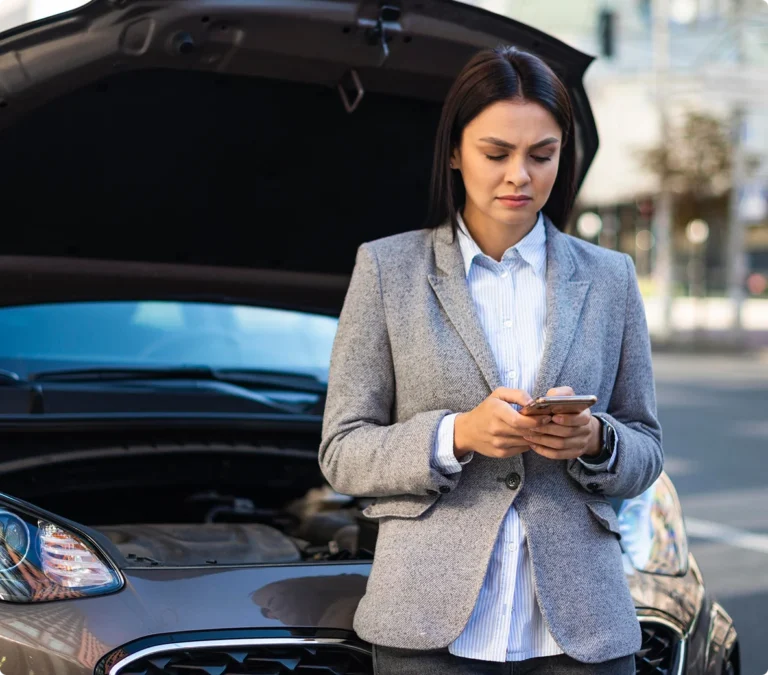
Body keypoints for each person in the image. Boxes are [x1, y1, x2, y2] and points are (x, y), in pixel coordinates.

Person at [319, 45, 662, 675]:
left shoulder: (611, 279)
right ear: (454, 151)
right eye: (496, 153)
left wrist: (596, 440)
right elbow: (341, 451)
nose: (520, 177)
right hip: (428, 627)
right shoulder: (387, 269)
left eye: (542, 155)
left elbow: (646, 449)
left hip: (580, 632)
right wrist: (457, 435)